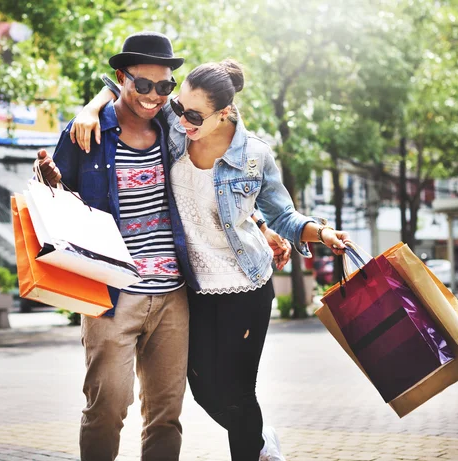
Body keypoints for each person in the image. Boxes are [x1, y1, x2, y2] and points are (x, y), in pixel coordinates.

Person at [67, 59, 350, 460]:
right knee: (201, 389)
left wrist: (321, 233)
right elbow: (131, 92)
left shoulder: (255, 156)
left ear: (226, 113)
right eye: (179, 108)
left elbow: (282, 214)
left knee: (236, 391)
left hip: (246, 287)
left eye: (194, 115)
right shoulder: (175, 131)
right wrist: (91, 106)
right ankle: (258, 437)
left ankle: (254, 448)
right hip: (195, 288)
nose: (183, 119)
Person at [35, 32, 290, 461]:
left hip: (175, 294)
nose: (155, 96)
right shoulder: (87, 132)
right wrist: (55, 174)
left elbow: (214, 183)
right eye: (143, 85)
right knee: (107, 408)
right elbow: (55, 198)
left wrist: (260, 224)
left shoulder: (174, 128)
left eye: (165, 87)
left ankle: (255, 441)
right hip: (112, 294)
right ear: (122, 78)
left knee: (167, 415)